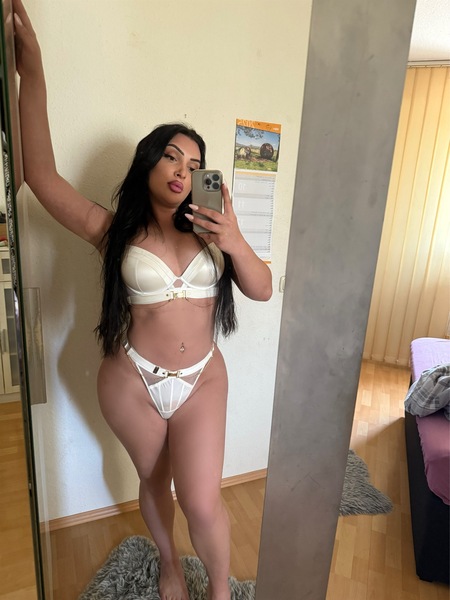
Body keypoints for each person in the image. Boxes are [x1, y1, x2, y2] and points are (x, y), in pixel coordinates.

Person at [13, 1, 272, 599]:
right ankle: (169, 563)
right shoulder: (114, 232)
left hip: (203, 378)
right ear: (149, 161)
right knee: (155, 484)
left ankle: (220, 591)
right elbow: (41, 176)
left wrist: (233, 239)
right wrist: (34, 70)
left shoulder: (214, 234)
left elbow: (259, 289)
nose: (183, 168)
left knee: (202, 501)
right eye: (172, 155)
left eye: (196, 163)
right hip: (132, 380)